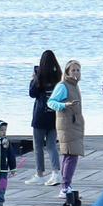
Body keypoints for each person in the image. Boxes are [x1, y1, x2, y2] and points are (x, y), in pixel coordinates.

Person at [28, 50, 61, 179]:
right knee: (52, 145)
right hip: (54, 115)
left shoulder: (40, 78)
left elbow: (32, 93)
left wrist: (34, 79)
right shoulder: (58, 77)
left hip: (40, 116)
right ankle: (55, 172)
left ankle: (40, 174)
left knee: (38, 146)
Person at [54, 59, 87, 190]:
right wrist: (64, 105)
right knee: (71, 155)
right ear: (67, 71)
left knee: (70, 155)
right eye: (73, 70)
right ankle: (65, 186)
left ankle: (66, 185)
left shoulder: (74, 85)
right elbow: (51, 102)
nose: (76, 73)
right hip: (67, 124)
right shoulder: (63, 86)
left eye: (78, 70)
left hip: (75, 124)